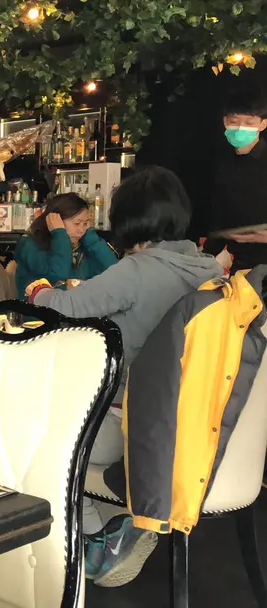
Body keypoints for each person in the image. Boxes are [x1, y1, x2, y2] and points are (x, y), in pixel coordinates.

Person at [26, 166, 223, 588]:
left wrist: (37, 291)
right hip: (192, 426)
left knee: (37, 434)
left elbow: (65, 306)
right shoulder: (210, 270)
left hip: (132, 424)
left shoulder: (139, 269)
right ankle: (121, 519)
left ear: (128, 219)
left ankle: (101, 537)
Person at [14, 193, 118, 298]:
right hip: (42, 307)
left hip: (77, 305)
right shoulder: (31, 245)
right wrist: (59, 233)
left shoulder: (83, 243)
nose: (81, 230)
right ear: (54, 221)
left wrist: (90, 237)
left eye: (85, 224)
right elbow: (57, 276)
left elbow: (113, 271)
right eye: (77, 224)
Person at [208, 84, 267, 268]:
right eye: (234, 121)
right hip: (234, 261)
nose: (241, 127)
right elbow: (218, 214)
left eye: (249, 123)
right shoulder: (221, 162)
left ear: (263, 124)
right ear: (225, 122)